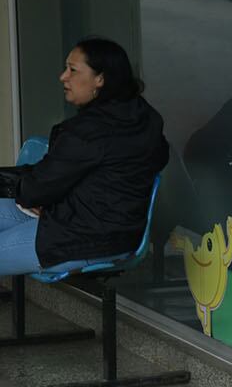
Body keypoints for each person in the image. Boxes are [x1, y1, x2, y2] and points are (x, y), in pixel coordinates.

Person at [0, 38, 168, 277]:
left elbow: (36, 190)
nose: (63, 77)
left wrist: (43, 196)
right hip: (107, 230)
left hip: (79, 239)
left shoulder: (88, 131)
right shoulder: (144, 117)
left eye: (73, 70)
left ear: (99, 79)